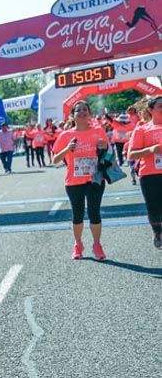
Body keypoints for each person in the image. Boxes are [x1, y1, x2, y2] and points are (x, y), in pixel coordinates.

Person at [50, 101, 110, 260]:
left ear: (89, 113)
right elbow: (55, 160)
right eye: (78, 110)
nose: (82, 112)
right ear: (73, 115)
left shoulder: (98, 131)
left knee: (94, 213)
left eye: (85, 110)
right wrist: (67, 149)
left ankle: (97, 245)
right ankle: (78, 244)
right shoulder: (65, 135)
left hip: (95, 178)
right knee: (77, 215)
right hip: (73, 181)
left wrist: (104, 147)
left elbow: (108, 152)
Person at [126, 95, 162, 248]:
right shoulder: (142, 129)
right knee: (153, 207)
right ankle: (157, 231)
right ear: (150, 110)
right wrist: (151, 149)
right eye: (160, 106)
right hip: (149, 174)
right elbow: (131, 154)